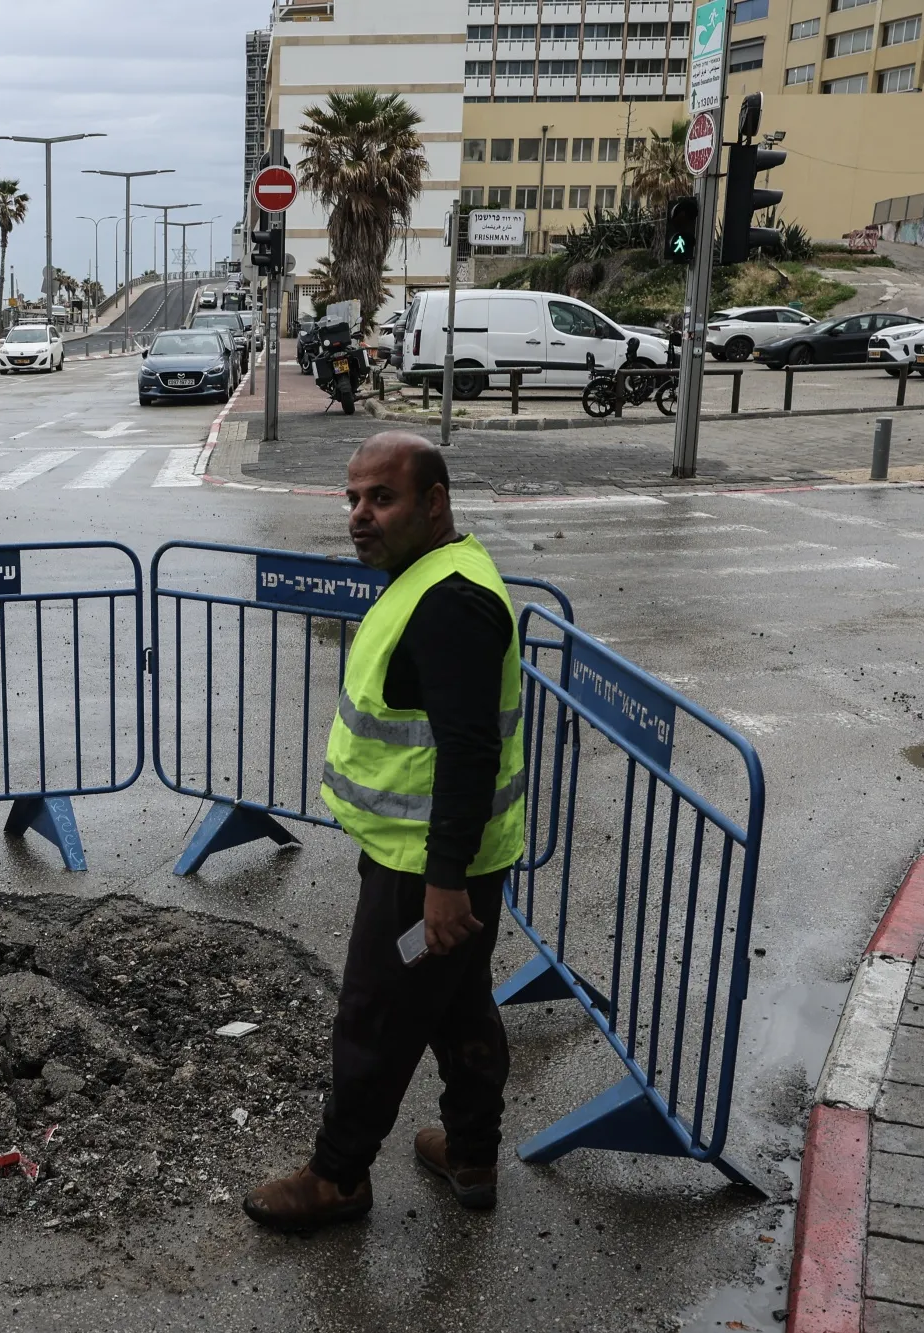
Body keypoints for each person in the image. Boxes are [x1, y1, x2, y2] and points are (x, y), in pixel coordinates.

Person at [243, 432, 524, 1233]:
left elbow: (469, 753)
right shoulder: (432, 575)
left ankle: (337, 1177)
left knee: (373, 1015)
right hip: (442, 855)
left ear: (434, 502)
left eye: (383, 498)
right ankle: (470, 1151)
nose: (361, 515)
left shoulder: (451, 602)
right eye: (354, 498)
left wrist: (442, 884)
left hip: (424, 867)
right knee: (459, 1003)